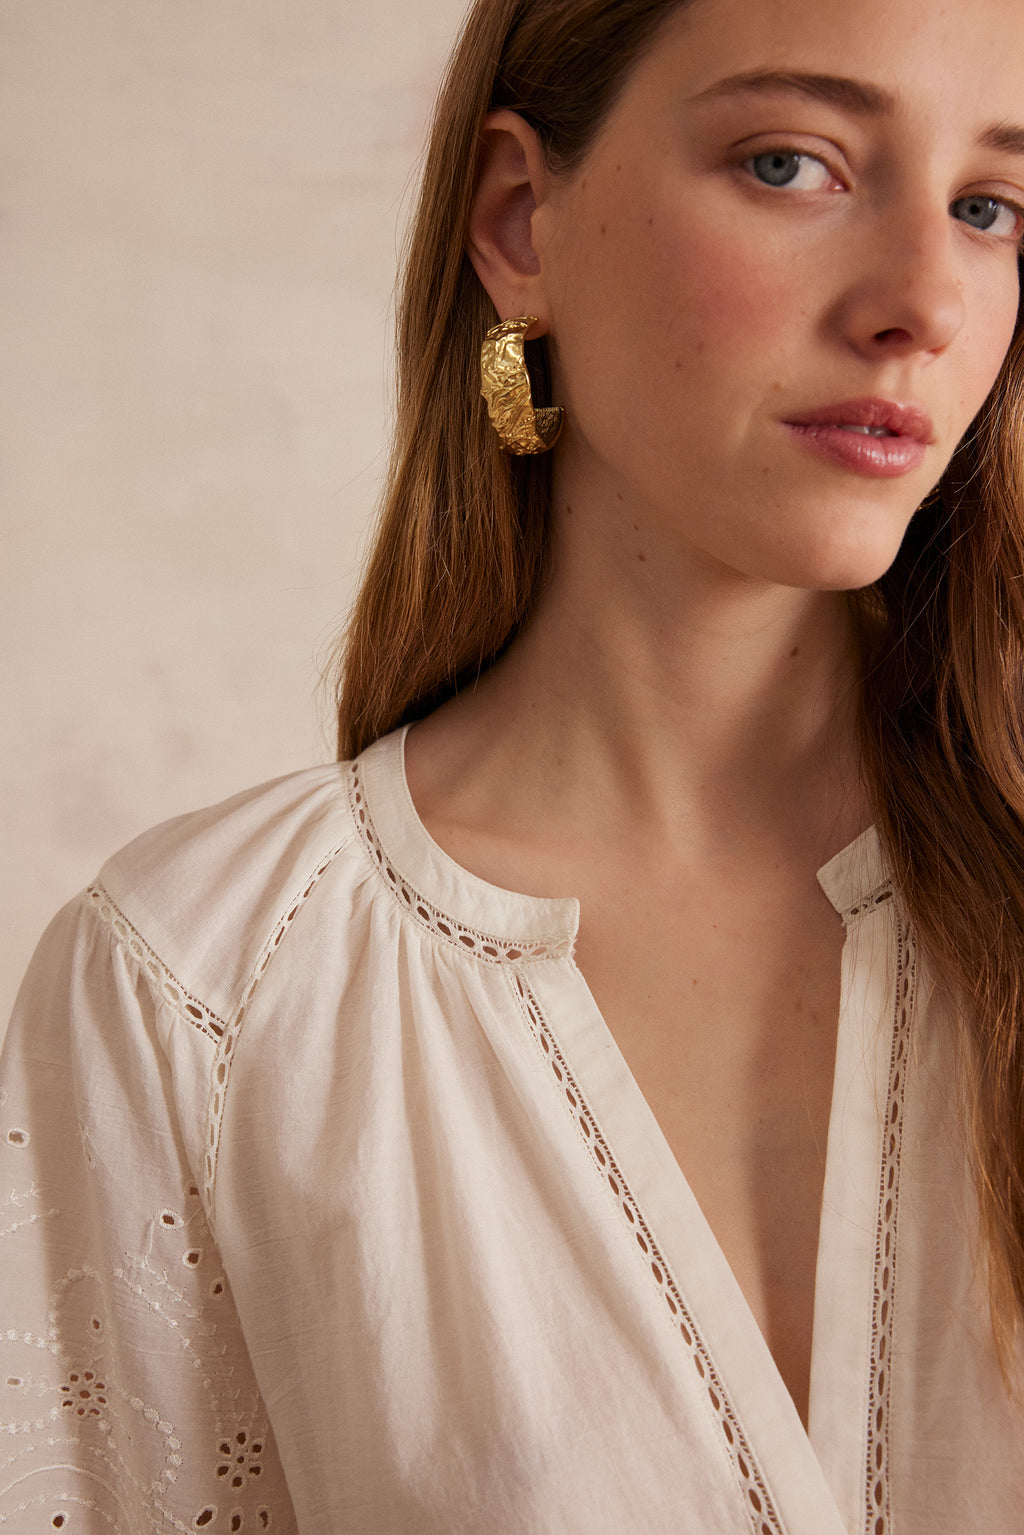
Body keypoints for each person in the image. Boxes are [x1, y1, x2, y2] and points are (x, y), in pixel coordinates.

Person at [4, 0, 1024, 1528]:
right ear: (519, 220)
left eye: (990, 207)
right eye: (792, 164)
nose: (925, 302)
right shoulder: (201, 995)